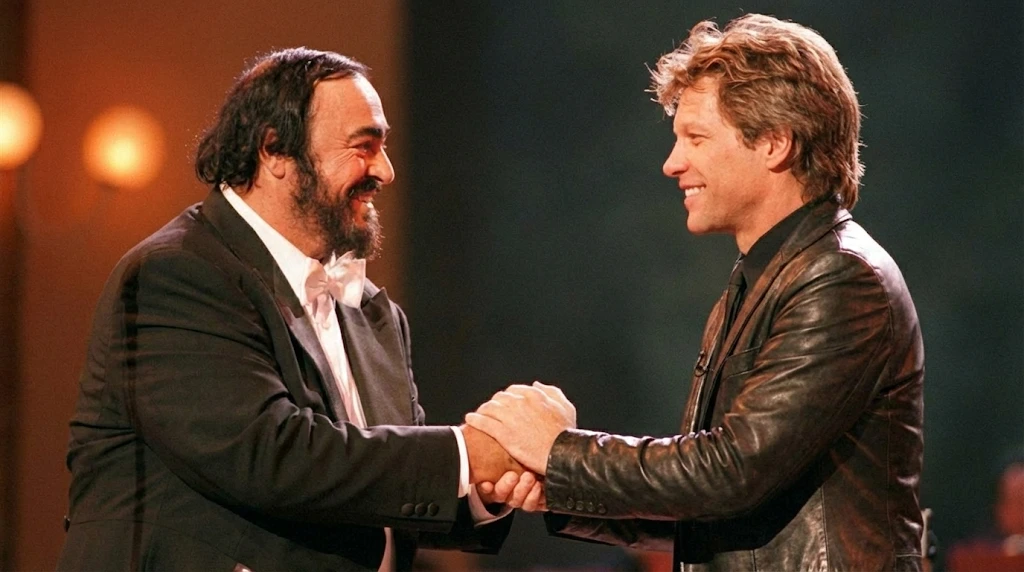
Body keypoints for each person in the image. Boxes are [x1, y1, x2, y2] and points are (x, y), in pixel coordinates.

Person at [467, 13, 926, 571]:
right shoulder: (766, 277)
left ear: (775, 143)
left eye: (696, 138)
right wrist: (558, 485)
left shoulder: (839, 277)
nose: (672, 163)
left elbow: (730, 472)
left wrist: (559, 451)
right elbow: (712, 507)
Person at [57, 48, 541, 571]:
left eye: (383, 146)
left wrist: (483, 486)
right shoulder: (175, 275)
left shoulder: (373, 313)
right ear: (274, 151)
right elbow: (270, 455)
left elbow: (383, 486)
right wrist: (466, 455)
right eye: (364, 146)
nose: (385, 170)